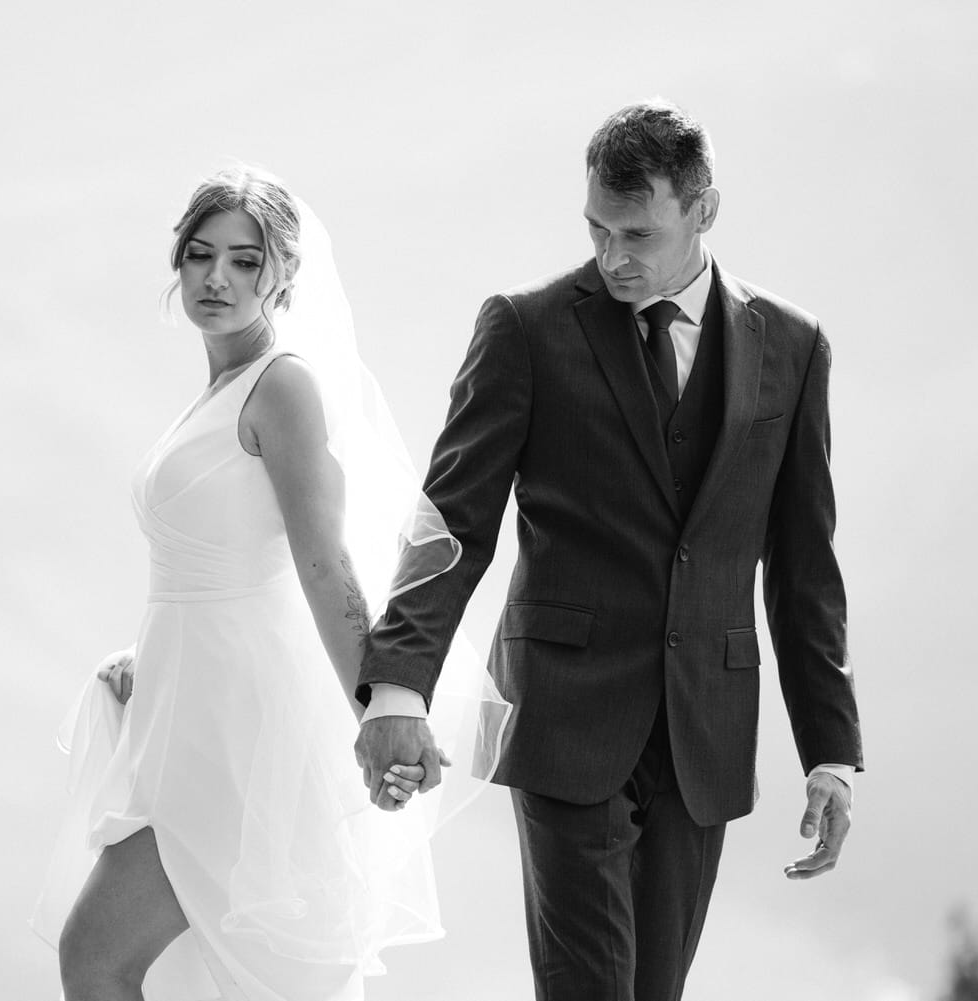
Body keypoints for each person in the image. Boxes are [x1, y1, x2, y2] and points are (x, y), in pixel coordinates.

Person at [354, 100, 866, 1001]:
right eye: (597, 228)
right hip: (564, 717)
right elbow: (452, 521)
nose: (613, 256)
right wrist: (399, 685)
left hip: (703, 729)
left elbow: (803, 563)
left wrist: (830, 748)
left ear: (705, 211)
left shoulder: (793, 344)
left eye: (638, 233)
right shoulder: (525, 327)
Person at [30, 166, 507, 1001]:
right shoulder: (216, 391)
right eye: (200, 255)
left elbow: (324, 563)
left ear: (283, 272)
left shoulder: (281, 386)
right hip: (182, 710)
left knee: (98, 955)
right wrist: (149, 661)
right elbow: (211, 567)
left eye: (245, 261)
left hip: (238, 735)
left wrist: (383, 714)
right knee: (149, 964)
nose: (217, 278)